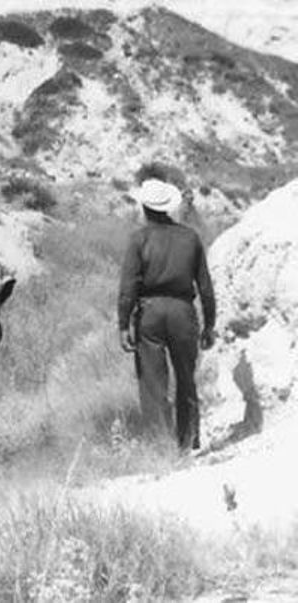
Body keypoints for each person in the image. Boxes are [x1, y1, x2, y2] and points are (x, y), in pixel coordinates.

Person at [117, 178, 216, 452]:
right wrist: (209, 325)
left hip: (149, 313)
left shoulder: (139, 239)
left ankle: (161, 447)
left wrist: (123, 324)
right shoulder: (190, 238)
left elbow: (128, 287)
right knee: (186, 378)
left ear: (145, 207)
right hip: (183, 312)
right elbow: (205, 288)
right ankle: (189, 443)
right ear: (169, 207)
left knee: (153, 384)